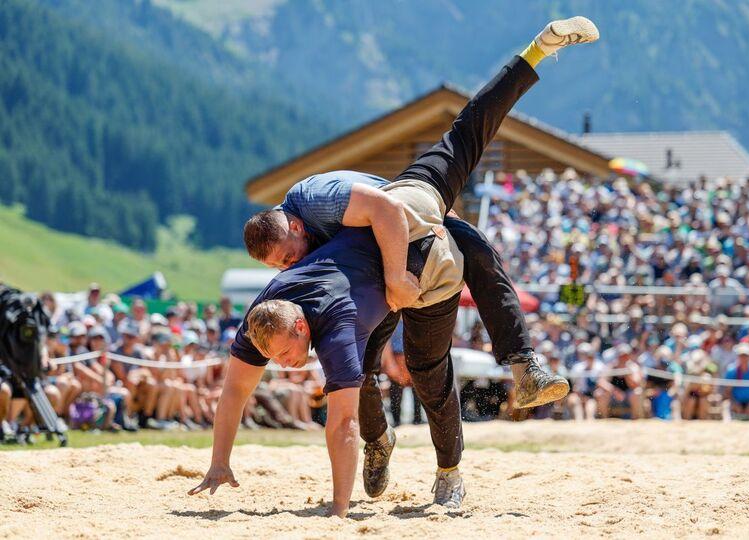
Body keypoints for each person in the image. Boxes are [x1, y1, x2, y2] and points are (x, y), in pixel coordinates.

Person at [189, 16, 599, 517]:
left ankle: (499, 398)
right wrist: (218, 462)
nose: (290, 265)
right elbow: (238, 385)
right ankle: (383, 439)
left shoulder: (316, 201)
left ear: (293, 226)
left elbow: (388, 210)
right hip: (399, 239)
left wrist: (397, 278)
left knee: (433, 350)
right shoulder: (279, 296)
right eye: (282, 266)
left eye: (288, 256)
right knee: (361, 369)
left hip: (414, 230)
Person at [722, 343, 749, 422]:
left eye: (745, 355)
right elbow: (727, 390)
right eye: (741, 355)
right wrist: (735, 403)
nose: (743, 358)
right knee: (726, 405)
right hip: (735, 402)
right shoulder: (731, 371)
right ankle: (727, 425)